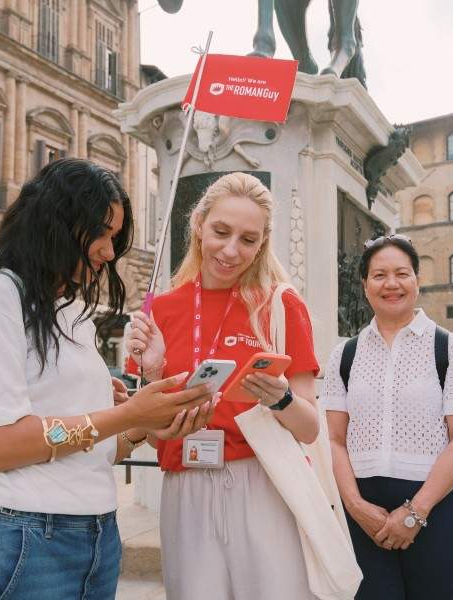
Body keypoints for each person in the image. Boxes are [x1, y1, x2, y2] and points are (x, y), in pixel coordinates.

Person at [0, 159, 217, 599]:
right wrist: (125, 412)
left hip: (99, 533)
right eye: (103, 234)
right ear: (58, 223)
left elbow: (95, 450)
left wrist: (147, 422)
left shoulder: (74, 313)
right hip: (30, 533)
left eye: (115, 237)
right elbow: (1, 445)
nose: (110, 252)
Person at [127, 172, 321, 600]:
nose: (231, 250)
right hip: (186, 483)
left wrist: (281, 397)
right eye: (221, 231)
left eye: (248, 239)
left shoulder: (280, 305)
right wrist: (154, 372)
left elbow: (309, 428)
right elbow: (140, 430)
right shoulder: (160, 310)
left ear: (262, 243)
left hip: (262, 479)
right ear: (198, 225)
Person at [322, 234, 453, 600]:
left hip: (436, 507)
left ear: (417, 280)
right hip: (364, 509)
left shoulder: (449, 348)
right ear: (364, 285)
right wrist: (355, 505)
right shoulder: (344, 354)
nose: (391, 284)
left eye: (401, 273)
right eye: (379, 275)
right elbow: (333, 439)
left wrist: (415, 512)